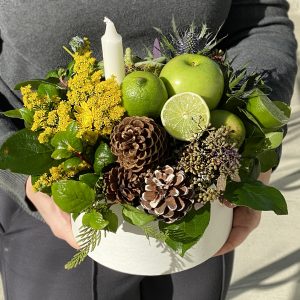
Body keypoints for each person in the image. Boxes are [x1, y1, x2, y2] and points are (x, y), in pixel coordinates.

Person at [0, 0, 297, 299]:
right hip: (50, 206)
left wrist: (255, 147)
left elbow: (260, 21)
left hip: (202, 202)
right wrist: (24, 178)